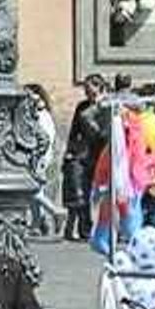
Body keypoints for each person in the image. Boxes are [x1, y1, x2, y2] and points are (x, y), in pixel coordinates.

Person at [63, 74, 107, 240]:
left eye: (90, 90)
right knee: (82, 190)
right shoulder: (82, 106)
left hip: (102, 152)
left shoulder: (107, 105)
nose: (87, 93)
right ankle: (85, 228)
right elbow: (74, 130)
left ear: (100, 88)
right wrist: (70, 149)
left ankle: (105, 228)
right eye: (86, 90)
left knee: (102, 192)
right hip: (85, 154)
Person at [25, 84, 59, 237]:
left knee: (32, 189)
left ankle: (55, 211)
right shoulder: (37, 115)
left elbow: (45, 139)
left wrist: (39, 157)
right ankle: (38, 222)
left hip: (40, 157)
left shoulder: (42, 116)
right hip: (38, 156)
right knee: (36, 189)